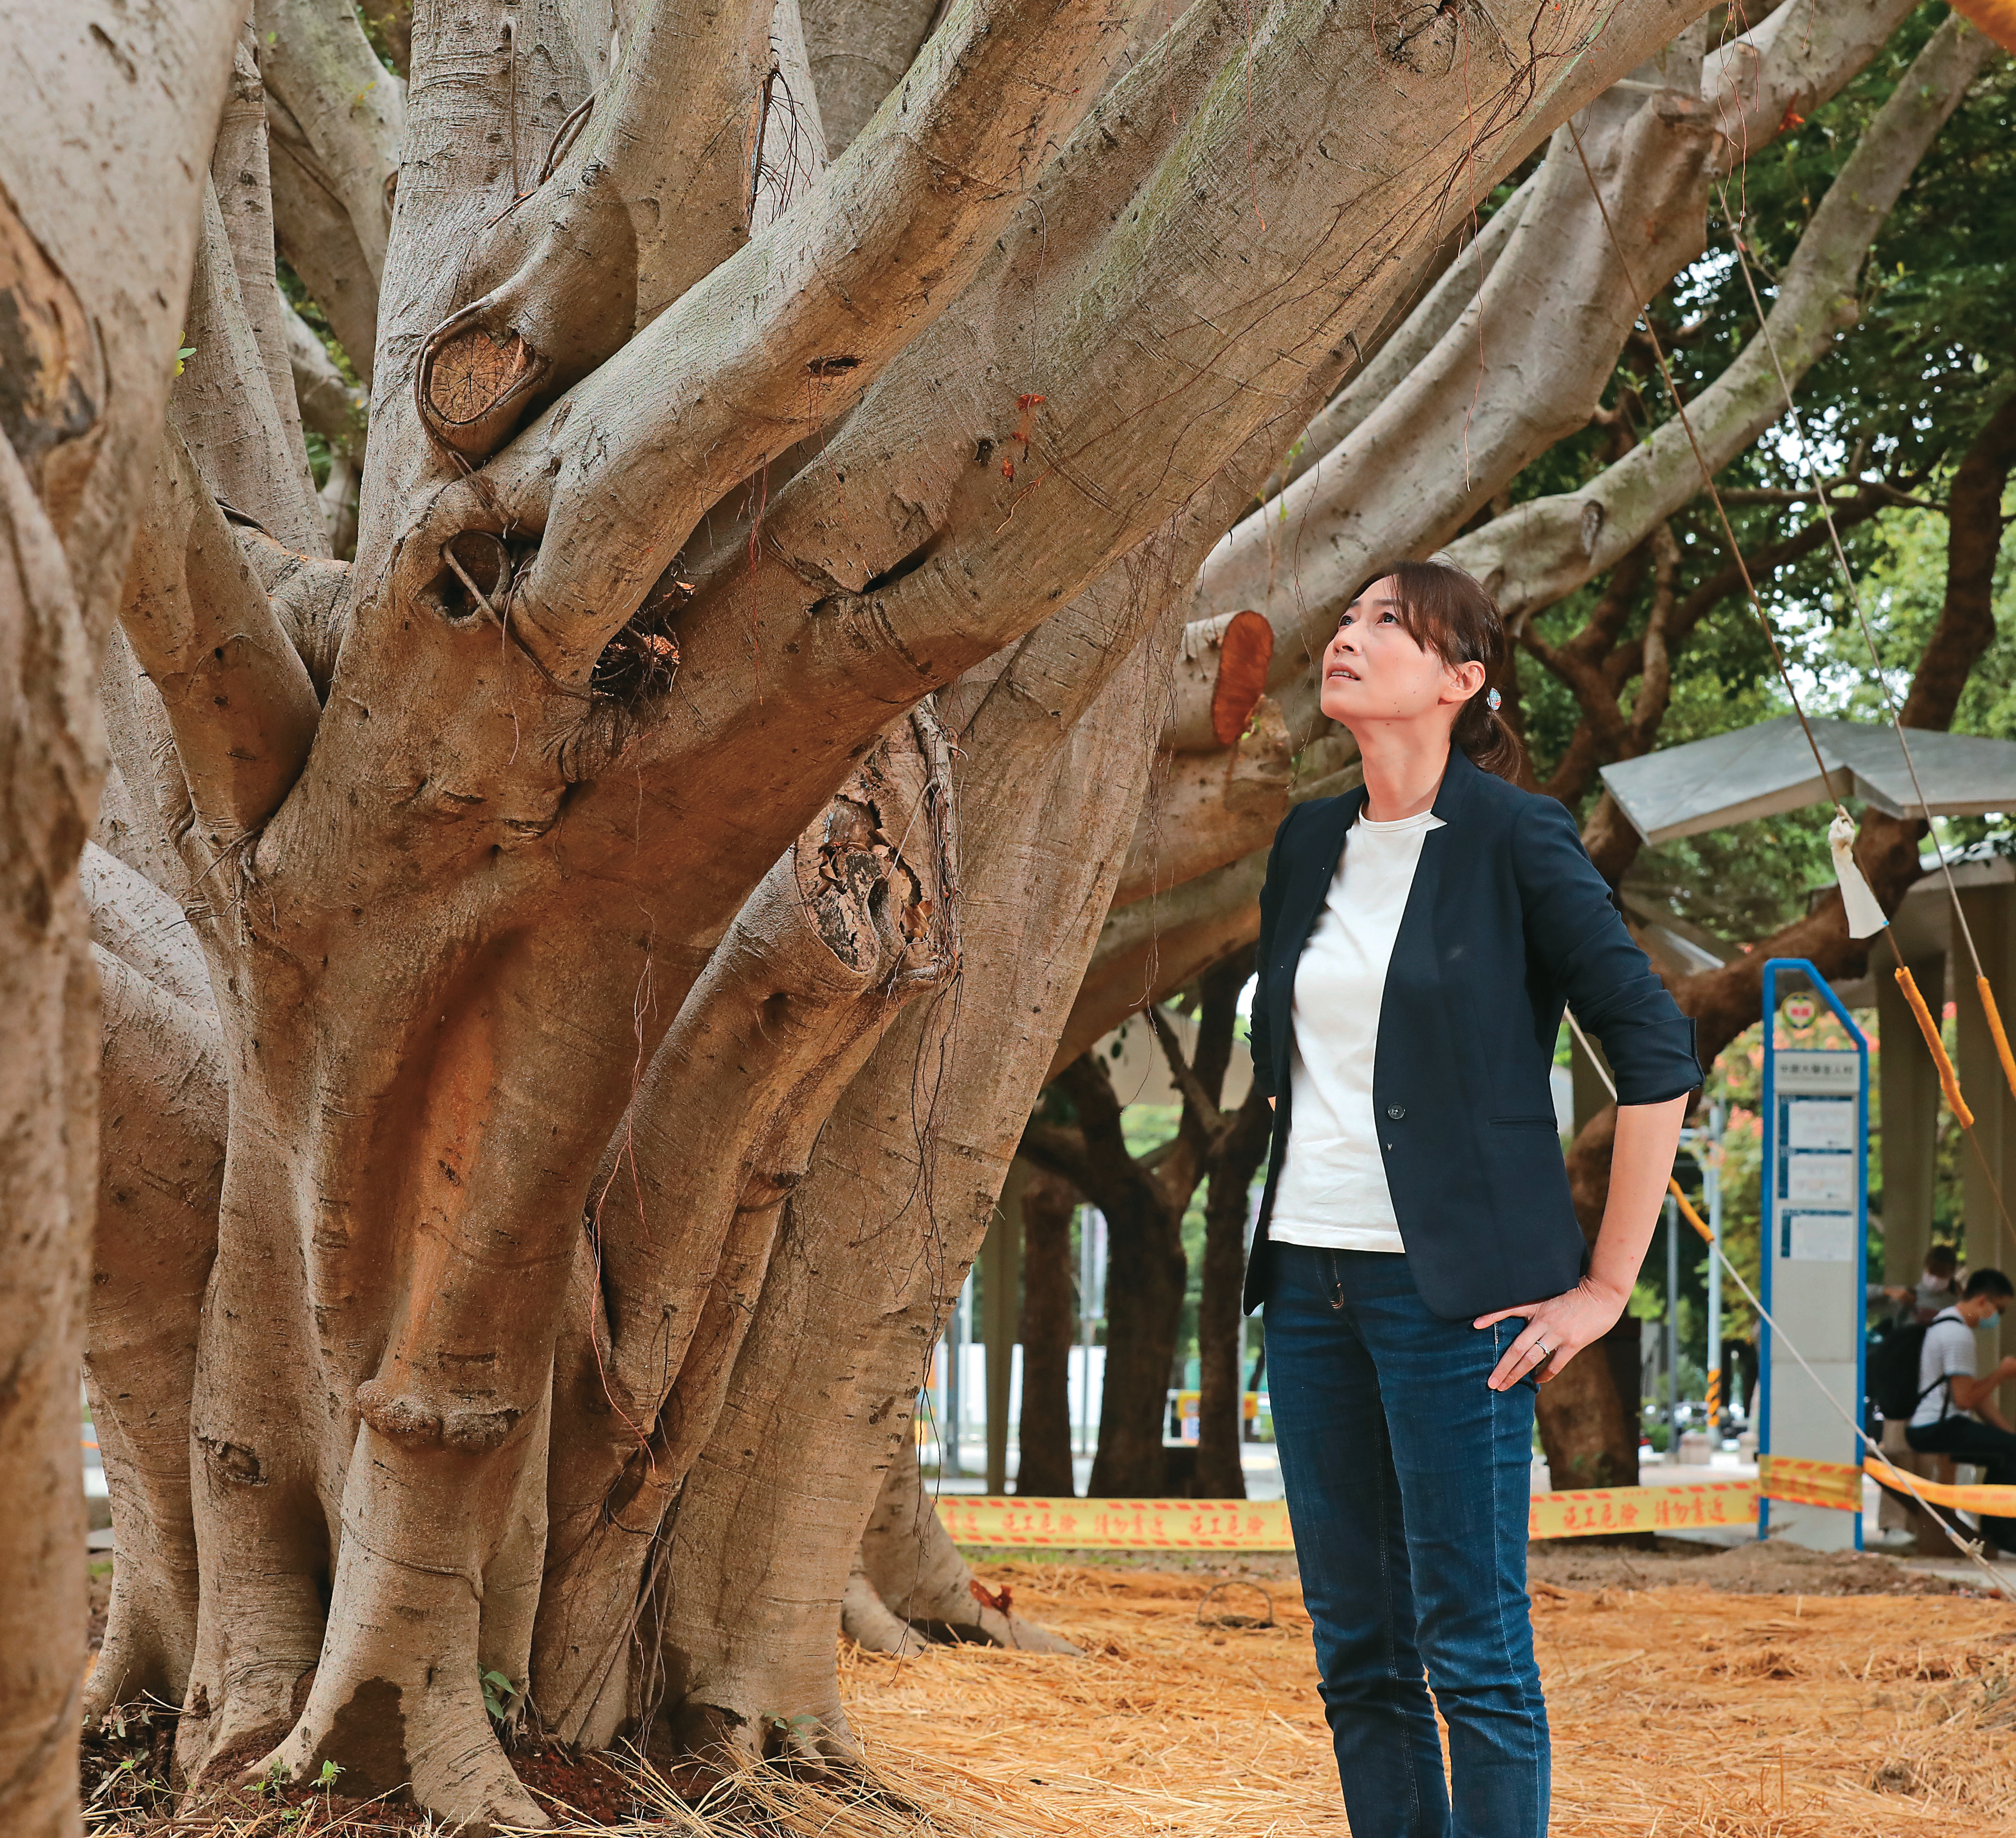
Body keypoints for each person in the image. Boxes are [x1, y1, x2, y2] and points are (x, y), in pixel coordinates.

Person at [1244, 560, 1699, 1838]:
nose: (1348, 635)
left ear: (1462, 677)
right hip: (1306, 1287)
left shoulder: (1516, 835)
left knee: (1474, 1656)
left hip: (1457, 1304)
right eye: (1344, 618)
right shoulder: (1304, 844)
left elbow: (1653, 1049)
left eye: (1386, 621)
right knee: (1360, 1658)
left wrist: (1605, 1286)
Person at [1904, 1266, 2016, 1552]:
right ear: (1982, 1301)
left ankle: (1995, 1534)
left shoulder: (1945, 1324)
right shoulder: (1958, 1336)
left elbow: (1974, 1396)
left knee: (2007, 1449)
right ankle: (2002, 1536)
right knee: (2008, 1454)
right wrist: (2001, 1374)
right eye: (1999, 1311)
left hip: (1934, 1424)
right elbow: (1966, 1399)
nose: (1996, 1319)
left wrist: (2007, 1434)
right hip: (1937, 1428)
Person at [1916, 1243, 1961, 1322]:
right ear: (1926, 1266)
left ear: (1952, 1272)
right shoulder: (1910, 1297)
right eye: (1933, 1272)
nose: (1936, 1278)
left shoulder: (1958, 1303)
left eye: (1942, 1274)